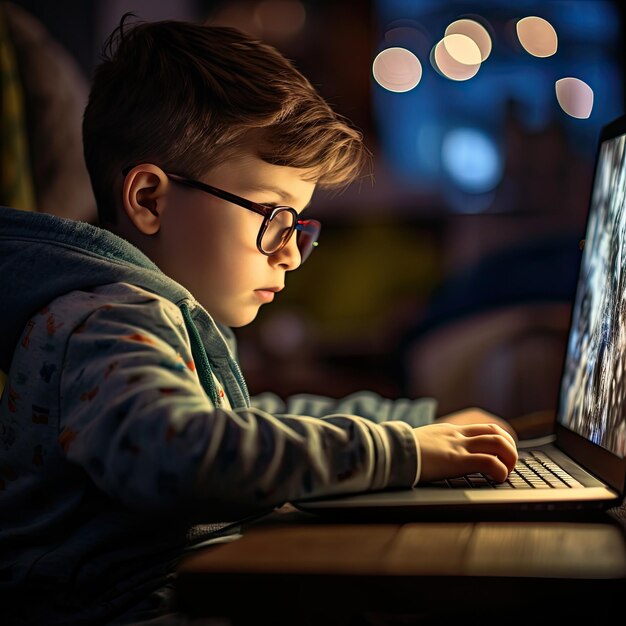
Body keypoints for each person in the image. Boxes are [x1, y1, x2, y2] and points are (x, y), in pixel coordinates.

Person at [0, 14, 518, 626]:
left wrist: (419, 424)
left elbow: (248, 420)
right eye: (273, 216)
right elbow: (185, 453)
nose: (293, 252)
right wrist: (398, 450)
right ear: (149, 200)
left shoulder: (140, 309)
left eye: (300, 225)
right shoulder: (106, 319)